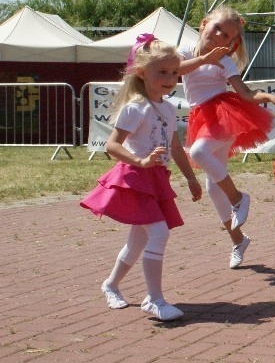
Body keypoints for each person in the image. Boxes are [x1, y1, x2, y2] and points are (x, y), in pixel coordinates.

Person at [81, 36, 202, 322]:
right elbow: (112, 146)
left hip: (156, 179)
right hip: (135, 178)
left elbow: (175, 147)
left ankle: (110, 284)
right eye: (162, 72)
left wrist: (191, 179)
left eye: (175, 73)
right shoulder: (135, 108)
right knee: (158, 233)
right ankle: (155, 300)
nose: (170, 79)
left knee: (137, 242)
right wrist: (140, 160)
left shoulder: (169, 109)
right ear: (142, 72)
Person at [178, 6, 275, 269]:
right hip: (200, 118)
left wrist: (266, 97)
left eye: (227, 36)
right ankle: (238, 240)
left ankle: (239, 198)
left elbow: (246, 94)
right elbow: (177, 70)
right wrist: (204, 59)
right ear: (204, 24)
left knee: (198, 153)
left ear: (231, 43)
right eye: (216, 28)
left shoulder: (225, 61)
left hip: (223, 115)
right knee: (211, 187)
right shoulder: (184, 52)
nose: (219, 36)